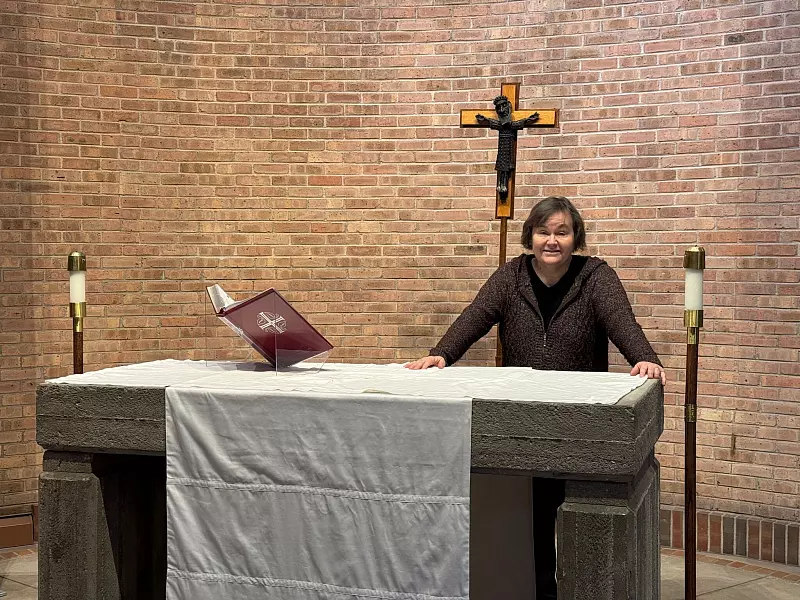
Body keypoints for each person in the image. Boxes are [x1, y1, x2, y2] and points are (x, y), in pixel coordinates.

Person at [404, 196, 664, 600]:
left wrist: (644, 358)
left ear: (575, 237)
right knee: (530, 516)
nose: (552, 241)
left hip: (579, 420)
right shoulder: (511, 276)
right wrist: (442, 353)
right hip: (524, 420)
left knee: (577, 516)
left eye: (562, 232)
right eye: (544, 232)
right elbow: (475, 316)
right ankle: (539, 590)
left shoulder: (596, 276)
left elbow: (621, 322)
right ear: (531, 236)